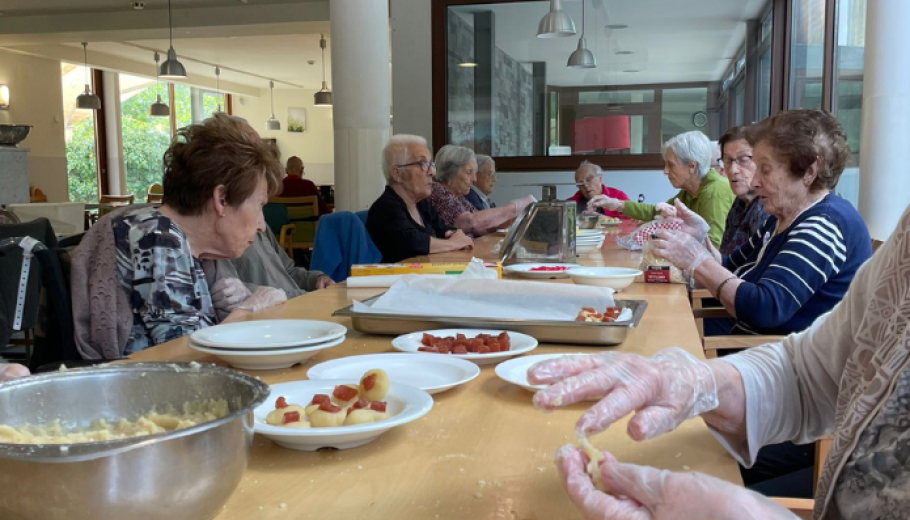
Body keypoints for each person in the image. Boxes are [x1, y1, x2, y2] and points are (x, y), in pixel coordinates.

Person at [530, 203, 910, 520]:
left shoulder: (824, 223)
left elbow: (766, 307)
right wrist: (703, 381)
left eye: (761, 165)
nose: (744, 176)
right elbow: (810, 373)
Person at [652, 110, 872, 337]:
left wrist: (697, 261)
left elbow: (764, 308)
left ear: (809, 171)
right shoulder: (782, 218)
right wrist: (700, 239)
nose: (755, 182)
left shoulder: (823, 225)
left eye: (765, 170)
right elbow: (729, 266)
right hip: (750, 347)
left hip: (775, 361)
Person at [110, 113, 287, 354]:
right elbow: (187, 356)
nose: (261, 226)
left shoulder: (174, 239)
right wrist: (249, 308)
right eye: (259, 205)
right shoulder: (158, 238)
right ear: (221, 199)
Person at [588, 131, 735, 248]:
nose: (665, 171)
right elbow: (655, 213)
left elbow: (714, 247)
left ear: (692, 166)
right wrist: (616, 204)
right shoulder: (690, 192)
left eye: (670, 165)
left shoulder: (714, 192)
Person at [366, 135, 474, 263]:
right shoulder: (385, 208)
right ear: (397, 174)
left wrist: (456, 235)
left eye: (431, 164)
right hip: (394, 281)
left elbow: (445, 230)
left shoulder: (421, 204)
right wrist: (454, 244)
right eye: (422, 164)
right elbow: (413, 243)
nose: (431, 172)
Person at [211, 227, 335, 306]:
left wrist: (315, 278)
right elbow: (236, 293)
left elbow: (288, 270)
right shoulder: (222, 242)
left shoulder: (262, 228)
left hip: (300, 307)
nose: (262, 224)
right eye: (258, 205)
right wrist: (308, 297)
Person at [429, 145, 535, 236]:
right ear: (451, 173)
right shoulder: (439, 192)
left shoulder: (458, 196)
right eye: (469, 172)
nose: (474, 179)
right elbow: (470, 222)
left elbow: (480, 227)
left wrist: (507, 222)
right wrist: (514, 207)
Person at [717, 126, 769, 256]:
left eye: (744, 160)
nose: (732, 170)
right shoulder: (740, 203)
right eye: (728, 161)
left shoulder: (767, 207)